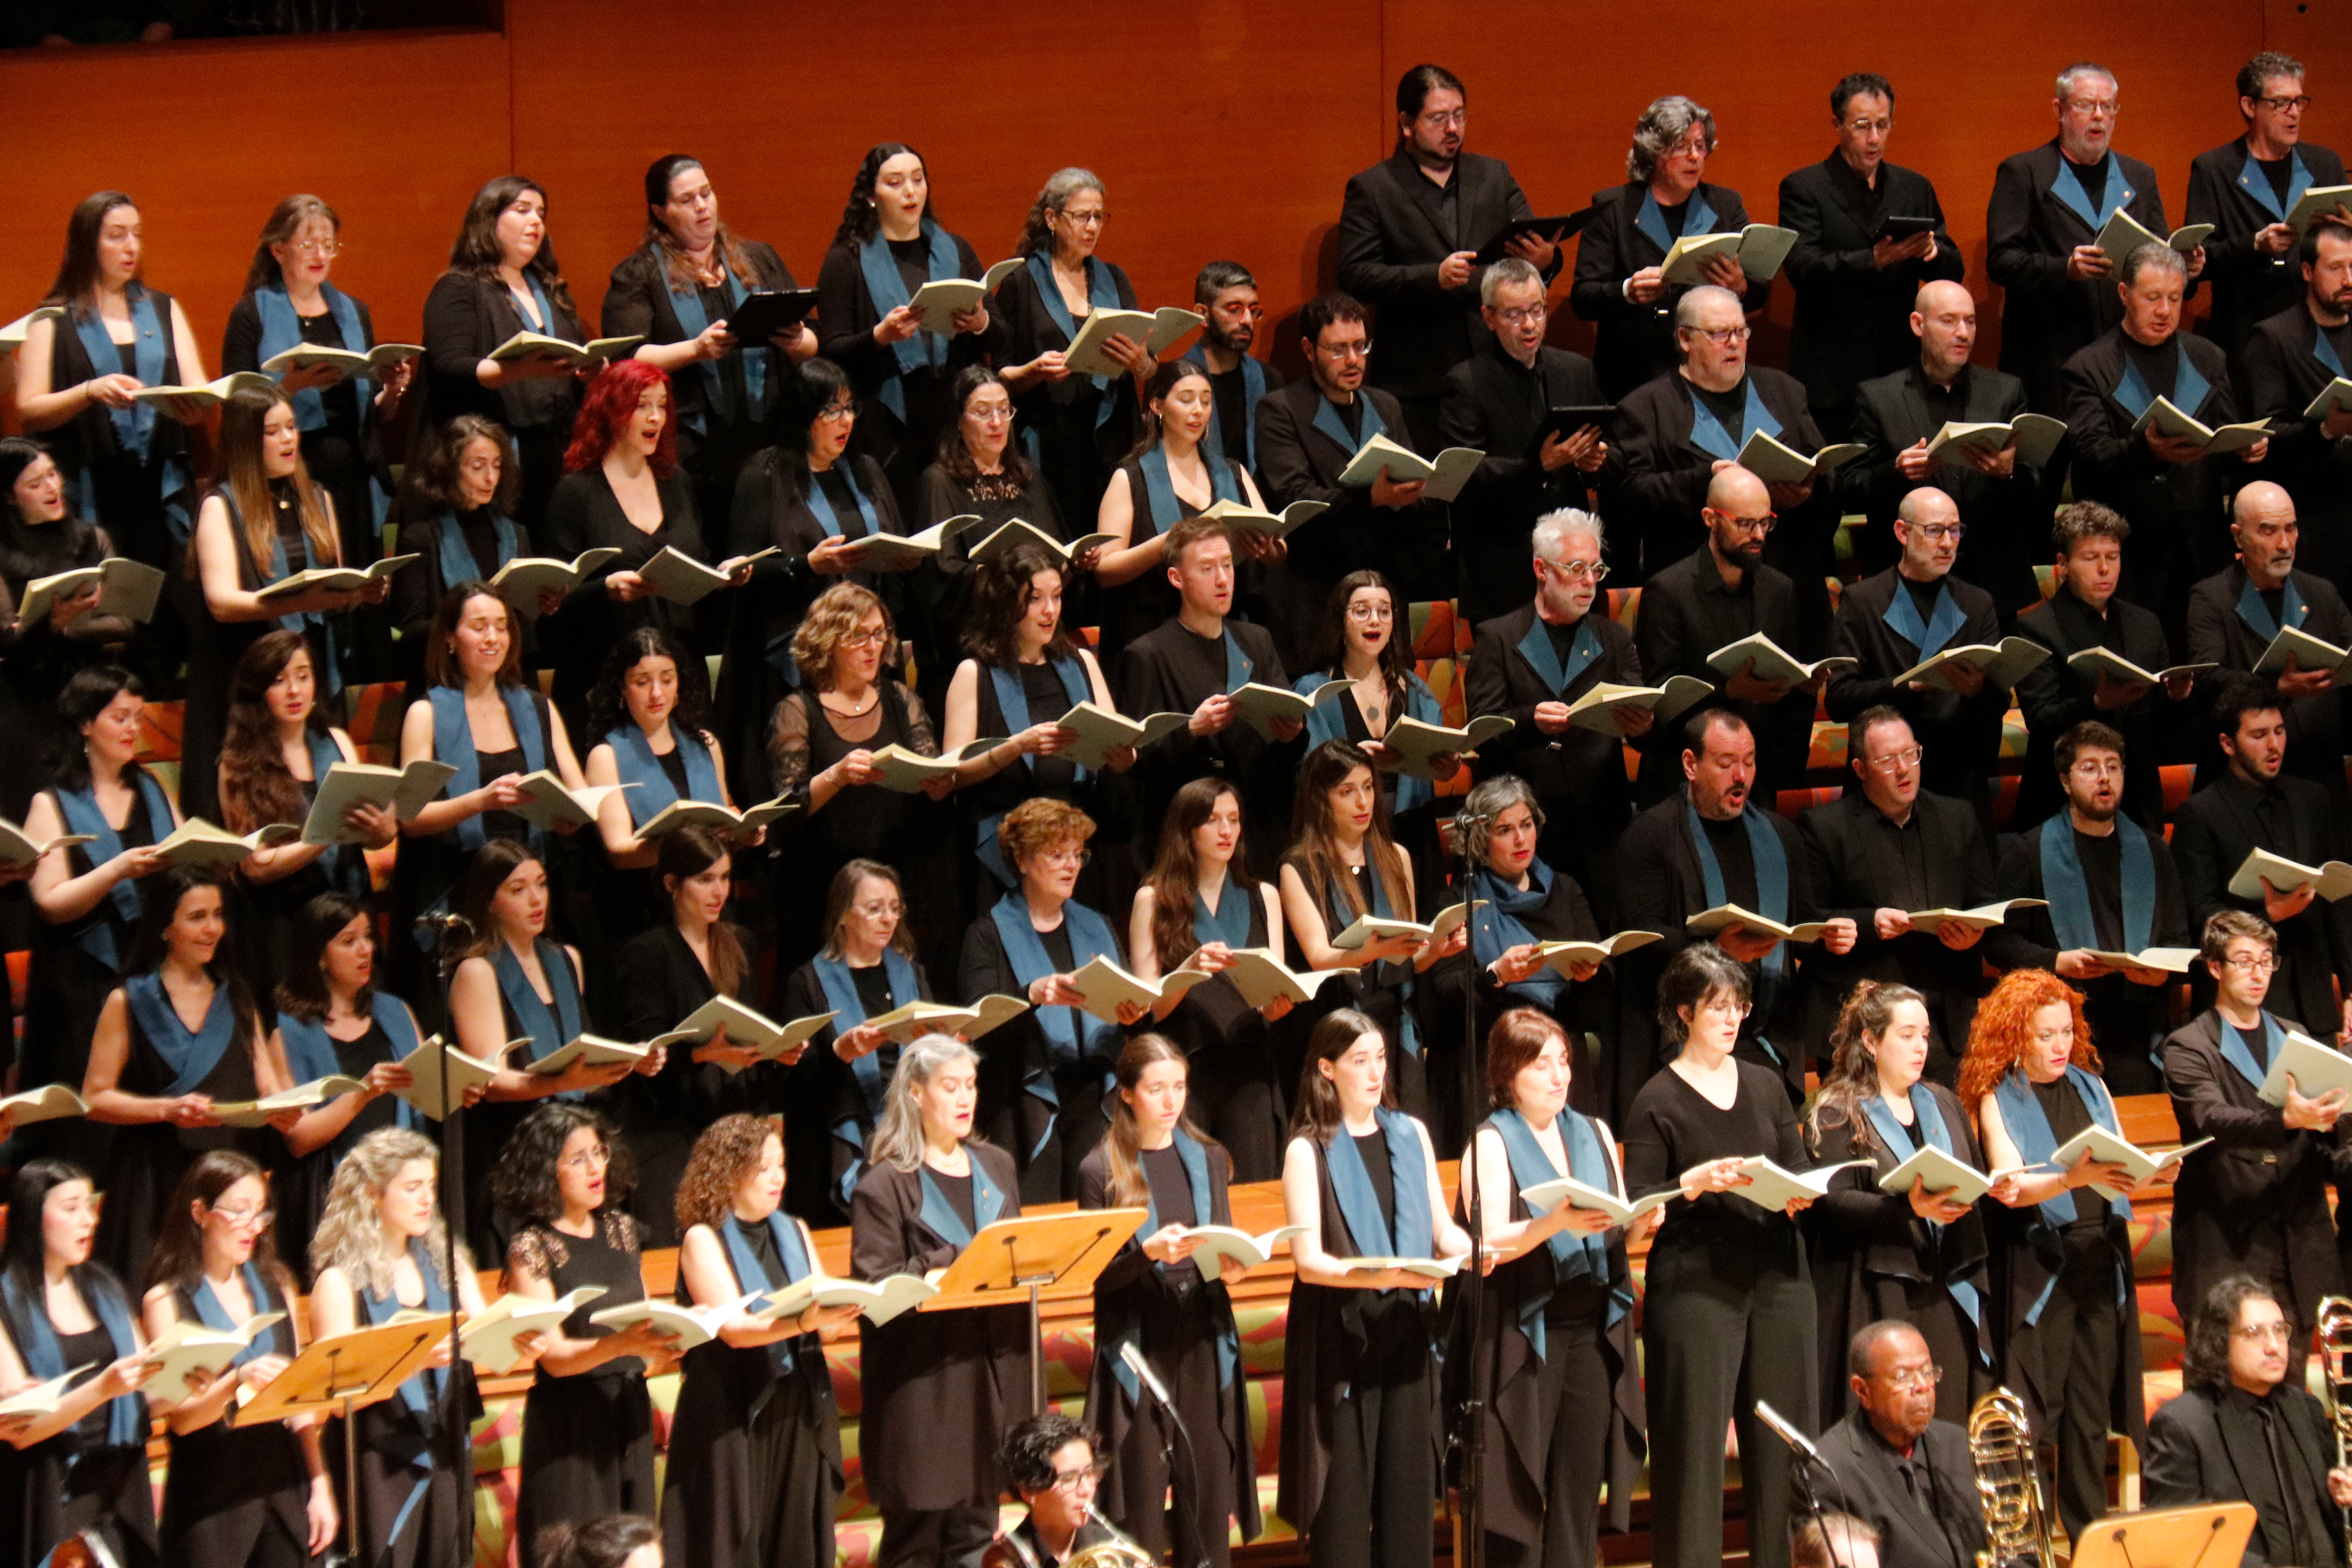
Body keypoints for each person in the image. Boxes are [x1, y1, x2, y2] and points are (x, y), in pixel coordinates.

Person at [1623, 943, 1820, 1568]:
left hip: (1779, 1276)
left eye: (1739, 1006)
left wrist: (1798, 1196)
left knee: (1782, 1451)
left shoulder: (1764, 1084)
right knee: (1694, 1458)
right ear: (1684, 1013)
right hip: (1696, 1285)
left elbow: (1801, 1172)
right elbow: (1638, 1202)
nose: (1733, 1019)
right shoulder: (1656, 1098)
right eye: (1717, 1008)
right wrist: (1693, 1184)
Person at [1278, 1008, 1471, 1568]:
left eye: (1381, 1059)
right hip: (1341, 1339)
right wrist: (1383, 1273)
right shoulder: (1306, 1149)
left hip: (1407, 1334)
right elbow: (1309, 1261)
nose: (1375, 1072)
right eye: (1360, 1060)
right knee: (1343, 1514)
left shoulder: (1410, 1133)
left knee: (1408, 1508)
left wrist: (1478, 1251)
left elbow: (1442, 1230)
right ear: (1326, 1068)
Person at [1964, 967, 2148, 1543]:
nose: (2060, 1045)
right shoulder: (2000, 1093)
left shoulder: (2093, 1085)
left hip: (2099, 1259)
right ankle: (2024, 1541)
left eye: (2065, 1031)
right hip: (2039, 1265)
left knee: (2091, 1413)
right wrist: (2075, 1177)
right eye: (2045, 1035)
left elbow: (2118, 1160)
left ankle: (2090, 1534)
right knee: (2033, 1408)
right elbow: (2009, 1184)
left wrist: (2148, 1171)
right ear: (2016, 1036)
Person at [1456, 1008, 1645, 1568]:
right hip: (1524, 1332)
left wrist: (1639, 1222)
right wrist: (1551, 1224)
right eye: (1542, 1065)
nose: (1560, 1076)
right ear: (1508, 1073)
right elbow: (1485, 1243)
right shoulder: (1490, 1141)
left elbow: (1611, 1223)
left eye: (1564, 1061)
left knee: (1578, 1486)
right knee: (1519, 1486)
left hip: (1592, 1326)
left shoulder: (1595, 1131)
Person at [1077, 1036, 1260, 1568]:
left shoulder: (1205, 1157)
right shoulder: (1101, 1169)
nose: (1170, 1101)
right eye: (1156, 1089)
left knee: (1206, 1502)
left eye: (1178, 1087)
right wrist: (1146, 1256)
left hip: (1201, 1335)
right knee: (1140, 1507)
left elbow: (1218, 1240)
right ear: (1128, 1094)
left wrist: (1234, 1263)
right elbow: (1096, 1277)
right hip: (1138, 1345)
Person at [850, 1036, 1030, 1568]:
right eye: (950, 1087)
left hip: (990, 1382)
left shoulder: (996, 1166)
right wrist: (953, 1259)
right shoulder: (884, 1185)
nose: (964, 1098)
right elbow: (876, 1289)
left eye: (970, 1086)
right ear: (915, 1094)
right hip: (923, 1393)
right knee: (916, 1547)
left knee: (979, 1540)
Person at [1616, 709, 1854, 1113]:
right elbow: (1642, 939)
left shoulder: (1782, 835)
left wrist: (1830, 936)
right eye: (1726, 764)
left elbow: (1802, 926)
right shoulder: (1651, 836)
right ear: (1691, 765)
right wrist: (1717, 952)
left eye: (1749, 762)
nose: (1741, 776)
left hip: (1766, 1037)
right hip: (1683, 1044)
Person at [83, 865, 300, 1284]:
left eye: (218, 915)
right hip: (154, 1177)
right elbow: (94, 1098)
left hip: (225, 1171)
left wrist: (283, 1110)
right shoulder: (128, 1001)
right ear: (165, 926)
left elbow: (268, 1083)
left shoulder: (236, 995)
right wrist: (166, 1109)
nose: (213, 928)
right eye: (197, 917)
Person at [186, 383, 385, 820]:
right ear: (244, 442)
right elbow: (221, 602)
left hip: (311, 668)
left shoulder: (318, 497)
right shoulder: (220, 505)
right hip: (253, 676)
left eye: (292, 428)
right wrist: (295, 604)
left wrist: (358, 593)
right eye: (273, 432)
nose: (289, 440)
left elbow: (328, 590)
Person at [1336, 64, 1561, 447]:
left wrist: (1546, 261)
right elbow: (1355, 275)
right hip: (1421, 381)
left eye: (1459, 116)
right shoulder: (1374, 188)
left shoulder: (1493, 175)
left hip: (1499, 368)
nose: (1453, 128)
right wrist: (1432, 277)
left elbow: (1534, 247)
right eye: (1439, 119)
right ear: (1407, 124)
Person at [725, 359, 919, 795]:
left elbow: (894, 541)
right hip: (794, 660)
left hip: (869, 650)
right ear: (802, 413)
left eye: (850, 408)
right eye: (831, 410)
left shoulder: (866, 470)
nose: (844, 420)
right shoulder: (767, 474)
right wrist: (806, 565)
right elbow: (738, 573)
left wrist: (906, 559)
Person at [665, 1112, 849, 1568]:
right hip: (731, 1411)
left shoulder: (796, 1231)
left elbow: (824, 1324)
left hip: (798, 1405)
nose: (777, 1178)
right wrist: (805, 1323)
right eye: (764, 1167)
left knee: (794, 1545)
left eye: (780, 1165)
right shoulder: (702, 1239)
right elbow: (737, 1330)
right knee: (735, 1545)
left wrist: (850, 1309)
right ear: (727, 1172)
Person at [1804, 988, 1992, 1425]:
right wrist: (1908, 1209)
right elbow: (1832, 1201)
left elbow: (1975, 1172)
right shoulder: (1839, 1109)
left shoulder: (1943, 1102)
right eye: (1906, 1035)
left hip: (1945, 1280)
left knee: (1944, 1415)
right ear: (1870, 1041)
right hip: (1879, 1287)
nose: (1920, 1047)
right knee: (1889, 1420)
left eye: (1924, 1035)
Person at [394, 584, 587, 1005]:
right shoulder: (425, 714)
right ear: (449, 638)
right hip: (460, 885)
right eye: (479, 627)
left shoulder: (538, 707)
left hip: (528, 888)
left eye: (502, 627)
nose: (493, 638)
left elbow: (582, 794)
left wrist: (573, 815)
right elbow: (410, 819)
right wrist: (479, 801)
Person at [140, 1150, 333, 1568]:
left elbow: (299, 1402)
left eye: (261, 1213)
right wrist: (236, 1380)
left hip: (285, 1485)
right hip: (211, 1496)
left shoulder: (276, 1285)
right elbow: (181, 1419)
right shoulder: (167, 1300)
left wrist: (321, 1484)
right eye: (240, 1212)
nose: (253, 1227)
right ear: (200, 1213)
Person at [1798, 709, 2014, 1082]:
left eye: (1910, 754)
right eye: (1886, 760)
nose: (1903, 769)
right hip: (1865, 1031)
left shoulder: (1958, 817)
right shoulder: (1825, 828)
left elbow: (1984, 900)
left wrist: (1975, 931)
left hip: (1945, 1025)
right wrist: (1869, 924)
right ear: (1860, 769)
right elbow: (1806, 926)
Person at [444, 842, 638, 1254]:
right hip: (518, 1159)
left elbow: (579, 1049)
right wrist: (563, 1081)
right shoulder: (478, 970)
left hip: (575, 1148)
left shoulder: (567, 959)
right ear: (489, 902)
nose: (536, 899)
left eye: (542, 885)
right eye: (518, 890)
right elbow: (489, 1080)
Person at [307, 1128, 488, 1568]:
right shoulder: (339, 1281)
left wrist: (519, 1336)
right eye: (412, 1188)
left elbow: (486, 1342)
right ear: (373, 1196)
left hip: (448, 1451)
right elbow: (336, 1402)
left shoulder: (450, 1264)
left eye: (431, 1186)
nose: (428, 1198)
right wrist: (411, 1363)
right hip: (380, 1467)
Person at [2165, 912, 2347, 1351]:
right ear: (2215, 967)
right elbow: (2212, 1119)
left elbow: (2324, 1142)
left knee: (2292, 1383)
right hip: (2228, 1238)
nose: (2258, 973)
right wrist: (2285, 1120)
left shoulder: (2295, 1035)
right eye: (2244, 961)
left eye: (2266, 961)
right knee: (2222, 1386)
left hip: (2300, 1240)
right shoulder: (2189, 1046)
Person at [22, 666, 181, 1168]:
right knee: (84, 1129)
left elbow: (180, 854)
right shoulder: (51, 802)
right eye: (119, 718)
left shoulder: (152, 787)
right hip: (81, 980)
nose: (133, 728)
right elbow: (49, 901)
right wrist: (116, 870)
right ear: (86, 725)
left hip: (146, 972)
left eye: (138, 717)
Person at [606, 154, 816, 529]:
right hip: (690, 450)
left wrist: (797, 340)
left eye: (706, 194)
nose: (702, 206)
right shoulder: (641, 274)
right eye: (687, 200)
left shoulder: (759, 259)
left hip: (767, 442)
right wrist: (695, 350)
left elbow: (815, 342)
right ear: (660, 211)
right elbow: (628, 357)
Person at [542, 360, 749, 731]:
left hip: (678, 672)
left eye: (661, 406)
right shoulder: (576, 493)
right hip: (606, 675)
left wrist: (721, 577)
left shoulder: (676, 481)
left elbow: (695, 567)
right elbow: (553, 599)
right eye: (642, 406)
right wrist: (605, 589)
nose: (655, 417)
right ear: (610, 411)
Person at [958, 797, 1147, 1201]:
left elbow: (1126, 996)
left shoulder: (1094, 924)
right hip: (1023, 1099)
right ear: (1023, 861)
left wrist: (1132, 1012)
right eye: (1058, 854)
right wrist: (1031, 995)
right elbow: (976, 1024)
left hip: (1094, 1094)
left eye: (1078, 855)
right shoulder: (987, 934)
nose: (1072, 865)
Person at [2062, 242, 2265, 619]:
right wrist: (2146, 451)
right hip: (2133, 551)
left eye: (2175, 298)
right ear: (2124, 294)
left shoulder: (2208, 357)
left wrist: (2246, 451)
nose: (2165, 311)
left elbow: (2225, 433)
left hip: (2203, 546)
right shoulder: (2088, 366)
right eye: (2153, 297)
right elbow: (2090, 455)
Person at [13, 190, 208, 581]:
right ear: (88, 244)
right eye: (117, 235)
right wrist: (88, 392)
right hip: (91, 486)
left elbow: (199, 388)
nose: (131, 246)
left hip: (159, 481)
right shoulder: (52, 318)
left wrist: (196, 407)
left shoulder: (163, 308)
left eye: (137, 234)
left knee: (165, 606)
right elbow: (28, 411)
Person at [1996, 722, 2193, 1096]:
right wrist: (2057, 962)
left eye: (2113, 766)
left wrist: (2160, 974)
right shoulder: (2029, 852)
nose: (2104, 777)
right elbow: (2002, 943)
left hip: (2134, 1031)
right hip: (2056, 1030)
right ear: (2066, 782)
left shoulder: (2153, 851)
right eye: (2090, 768)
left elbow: (2178, 942)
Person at [1988, 63, 2197, 414]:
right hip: (2048, 352)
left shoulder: (2139, 176)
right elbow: (2001, 262)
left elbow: (2158, 254)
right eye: (2086, 105)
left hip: (2124, 352)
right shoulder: (2023, 172)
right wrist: (2064, 269)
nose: (2099, 116)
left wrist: (2184, 265)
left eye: (2108, 106)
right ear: (2060, 111)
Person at [221, 193, 410, 581]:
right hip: (292, 475)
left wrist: (391, 392)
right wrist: (288, 387)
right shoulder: (251, 313)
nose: (320, 254)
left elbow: (373, 416)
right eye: (308, 244)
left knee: (359, 586)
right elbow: (236, 409)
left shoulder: (353, 312)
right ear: (277, 249)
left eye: (328, 244)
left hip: (355, 476)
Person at [1613, 286, 1834, 618]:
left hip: (1788, 581)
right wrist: (1708, 481)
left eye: (1740, 331)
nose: (1734, 342)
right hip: (1696, 591)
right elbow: (1633, 497)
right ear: (1685, 339)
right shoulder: (1647, 407)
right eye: (1719, 333)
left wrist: (1807, 490)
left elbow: (1823, 468)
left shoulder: (1784, 391)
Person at [608, 829, 783, 1245]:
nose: (719, 891)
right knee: (679, 1247)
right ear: (672, 884)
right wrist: (703, 1054)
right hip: (671, 1130)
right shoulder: (647, 953)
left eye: (724, 878)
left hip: (730, 1120)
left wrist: (775, 1052)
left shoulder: (738, 943)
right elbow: (647, 1052)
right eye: (705, 879)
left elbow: (749, 1025)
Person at [1251, 291, 1450, 657]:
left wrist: (1423, 492)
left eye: (1361, 346)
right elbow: (1296, 497)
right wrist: (1371, 499)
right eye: (1339, 349)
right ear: (1309, 350)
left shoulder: (1385, 405)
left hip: (1381, 586)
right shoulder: (1280, 410)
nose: (1354, 360)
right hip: (1314, 591)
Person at [1281, 741, 1466, 1128]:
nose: (1363, 801)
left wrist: (1437, 950)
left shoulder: (1396, 856)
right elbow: (1318, 956)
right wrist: (1367, 952)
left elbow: (1406, 956)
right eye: (1347, 792)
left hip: (1394, 1024)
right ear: (1321, 799)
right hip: (1338, 1023)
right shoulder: (1299, 867)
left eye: (1368, 787)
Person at [1464, 510, 1643, 904]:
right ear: (1541, 569)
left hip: (1601, 827)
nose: (1590, 581)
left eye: (1597, 569)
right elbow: (1481, 726)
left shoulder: (1613, 638)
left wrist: (1643, 723)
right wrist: (1530, 721)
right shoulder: (1498, 637)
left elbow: (1638, 710)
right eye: (1577, 568)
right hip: (1529, 828)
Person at [766, 582, 951, 960]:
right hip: (825, 885)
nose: (873, 647)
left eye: (879, 634)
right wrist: (836, 776)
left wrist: (939, 785)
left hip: (897, 874)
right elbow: (786, 810)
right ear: (828, 641)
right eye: (858, 636)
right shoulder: (798, 710)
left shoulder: (901, 699)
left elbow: (932, 774)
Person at [1777, 74, 1964, 440]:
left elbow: (1953, 268)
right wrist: (1874, 259)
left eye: (1883, 125)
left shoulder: (1914, 187)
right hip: (1832, 371)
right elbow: (1801, 268)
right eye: (1863, 126)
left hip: (1901, 367)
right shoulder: (1805, 188)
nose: (1874, 138)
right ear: (1838, 125)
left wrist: (1931, 252)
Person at [1128, 779, 1297, 1182]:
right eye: (1212, 820)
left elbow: (1271, 997)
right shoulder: (1154, 899)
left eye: (1234, 820)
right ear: (1186, 830)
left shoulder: (1263, 895)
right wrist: (1189, 971)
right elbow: (1150, 1009)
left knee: (1255, 1194)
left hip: (1249, 1066)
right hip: (1185, 1071)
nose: (1226, 831)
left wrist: (1278, 1006)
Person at [1842, 281, 2051, 602]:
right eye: (1949, 320)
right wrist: (1895, 472)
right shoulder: (1878, 397)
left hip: (1992, 581)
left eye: (1970, 321)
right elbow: (1851, 487)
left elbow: (2037, 490)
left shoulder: (2006, 392)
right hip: (1906, 583)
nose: (1964, 333)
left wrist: (2007, 474)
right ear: (1918, 324)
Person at [941, 540, 1130, 895]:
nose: (1049, 611)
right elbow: (952, 775)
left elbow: (1115, 740)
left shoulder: (1081, 663)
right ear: (1004, 602)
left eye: (1057, 597)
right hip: (1007, 850)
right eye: (1034, 599)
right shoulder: (975, 673)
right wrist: (1013, 749)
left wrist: (1123, 758)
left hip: (1076, 845)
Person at [815, 143, 996, 512]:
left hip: (953, 416)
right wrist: (881, 336)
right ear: (870, 196)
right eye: (895, 183)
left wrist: (981, 322)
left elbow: (1002, 335)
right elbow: (830, 350)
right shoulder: (845, 259)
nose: (910, 191)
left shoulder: (955, 250)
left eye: (918, 180)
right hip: (885, 421)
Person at [0, 1159, 162, 1568]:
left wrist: (188, 1379)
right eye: (71, 1208)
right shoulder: (6, 1300)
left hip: (118, 1488)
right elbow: (22, 1429)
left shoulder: (103, 1286)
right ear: (33, 1216)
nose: (88, 1220)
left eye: (90, 1206)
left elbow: (145, 1387)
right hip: (45, 1491)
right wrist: (103, 1388)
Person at [2172, 677, 2352, 1044]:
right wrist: (2267, 915)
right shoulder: (2200, 814)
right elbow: (2199, 913)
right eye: (2258, 735)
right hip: (2241, 1005)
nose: (2274, 746)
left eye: (2280, 731)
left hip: (2313, 998)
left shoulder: (2313, 799)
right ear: (2227, 743)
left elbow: (2338, 902)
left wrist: (2350, 990)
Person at [1115, 514, 1300, 865]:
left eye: (1228, 565)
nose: (1222, 579)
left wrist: (1291, 737)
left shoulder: (1256, 640)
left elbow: (1280, 753)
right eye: (1206, 569)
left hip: (1252, 828)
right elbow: (1136, 763)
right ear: (1176, 578)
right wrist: (1191, 730)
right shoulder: (1147, 654)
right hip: (1183, 836)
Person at [216, 630, 392, 994]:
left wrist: (381, 829)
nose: (295, 691)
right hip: (286, 919)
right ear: (257, 691)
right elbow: (254, 867)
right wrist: (323, 838)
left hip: (348, 907)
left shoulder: (337, 742)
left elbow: (376, 839)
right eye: (279, 681)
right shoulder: (237, 764)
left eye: (303, 675)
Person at [1634, 465, 1820, 806]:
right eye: (1745, 524)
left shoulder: (1779, 589)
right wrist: (1728, 692)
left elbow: (1789, 701)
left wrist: (1802, 686)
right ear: (1710, 518)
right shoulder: (1668, 591)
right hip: (1681, 784)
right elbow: (1657, 697)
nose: (1759, 535)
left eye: (1766, 522)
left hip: (1757, 783)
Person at [1439, 257, 1608, 625]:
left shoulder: (1577, 371)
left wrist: (1594, 463)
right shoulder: (1466, 382)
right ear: (1489, 318)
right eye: (1514, 315)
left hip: (1573, 567)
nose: (1530, 325)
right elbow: (1464, 477)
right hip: (1502, 567)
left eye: (1537, 310)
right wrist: (1539, 467)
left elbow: (1608, 456)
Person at [418, 177, 587, 535]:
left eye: (541, 213)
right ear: (488, 220)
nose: (537, 222)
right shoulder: (458, 287)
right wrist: (517, 371)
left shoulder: (551, 290)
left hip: (556, 449)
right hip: (497, 455)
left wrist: (591, 371)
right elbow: (449, 365)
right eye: (523, 210)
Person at [1825, 488, 2007, 819]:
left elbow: (1998, 702)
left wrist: (1976, 692)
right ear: (1902, 532)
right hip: (1886, 775)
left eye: (1955, 531)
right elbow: (1839, 698)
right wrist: (1908, 686)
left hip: (1958, 777)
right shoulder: (1862, 601)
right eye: (1935, 530)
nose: (1948, 543)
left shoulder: (1978, 603)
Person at [1571, 96, 1769, 400]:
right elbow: (1583, 298)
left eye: (1701, 146)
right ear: (1653, 151)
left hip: (1707, 373)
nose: (1695, 156)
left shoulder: (1727, 206)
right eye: (1681, 146)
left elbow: (1760, 290)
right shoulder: (1612, 208)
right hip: (1633, 375)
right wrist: (1627, 291)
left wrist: (1741, 287)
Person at [2146, 1275, 2352, 1566]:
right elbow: (2184, 1542)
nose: (2274, 1346)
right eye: (2254, 1333)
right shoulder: (2182, 1425)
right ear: (2219, 1340)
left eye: (2280, 1331)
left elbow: (2333, 1524)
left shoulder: (2305, 1408)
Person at [2011, 503, 2192, 832]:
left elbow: (2160, 722)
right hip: (2062, 796)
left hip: (2136, 790)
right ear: (2063, 564)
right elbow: (2041, 719)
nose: (2105, 569)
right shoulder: (2036, 627)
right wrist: (2096, 703)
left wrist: (2176, 696)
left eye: (2113, 556)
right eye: (2091, 558)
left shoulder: (2145, 623)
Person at [1446, 776, 1615, 1120]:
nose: (1520, 839)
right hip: (1495, 1055)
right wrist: (1497, 975)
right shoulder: (1458, 900)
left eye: (1526, 825)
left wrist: (1590, 975)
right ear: (1481, 839)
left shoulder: (1565, 890)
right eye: (1504, 830)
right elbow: (1445, 990)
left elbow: (1603, 979)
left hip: (1562, 1053)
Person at [993, 167, 1150, 535]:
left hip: (1111, 437)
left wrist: (1143, 364)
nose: (1092, 227)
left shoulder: (1116, 279)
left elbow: (1147, 362)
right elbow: (999, 376)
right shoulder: (1021, 281)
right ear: (1052, 218)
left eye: (1099, 217)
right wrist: (1034, 371)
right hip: (1051, 441)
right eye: (1082, 217)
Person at [779, 859, 936, 1223]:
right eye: (875, 909)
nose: (888, 919)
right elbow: (794, 1083)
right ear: (844, 915)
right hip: (839, 1140)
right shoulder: (808, 982)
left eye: (895, 909)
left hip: (909, 1132)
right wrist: (840, 1054)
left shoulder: (910, 973)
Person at [270, 890, 429, 1249]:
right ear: (320, 956)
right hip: (333, 1196)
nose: (366, 949)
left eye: (368, 937)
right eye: (349, 941)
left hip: (402, 1191)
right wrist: (363, 1093)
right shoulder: (289, 1033)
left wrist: (453, 1089)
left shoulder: (395, 1012)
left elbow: (424, 1094)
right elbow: (298, 1137)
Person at [1294, 570, 1461, 900]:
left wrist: (1448, 765)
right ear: (1341, 620)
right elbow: (1308, 774)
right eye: (1362, 611)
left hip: (1412, 831)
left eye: (1384, 611)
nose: (1375, 621)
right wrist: (1354, 765)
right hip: (1345, 834)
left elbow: (1438, 765)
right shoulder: (1314, 691)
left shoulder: (1416, 689)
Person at [1094, 358, 1271, 665]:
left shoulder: (1233, 473)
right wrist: (1169, 543)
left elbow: (1272, 541)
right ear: (1157, 406)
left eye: (1206, 400)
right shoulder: (1131, 477)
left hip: (1220, 630)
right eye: (1187, 400)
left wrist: (1272, 547)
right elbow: (1105, 570)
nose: (1199, 410)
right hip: (1151, 633)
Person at [2186, 483, 2352, 798]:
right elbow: (2207, 679)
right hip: (2243, 785)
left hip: (2318, 776)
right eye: (2268, 531)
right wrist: (2275, 688)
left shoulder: (2322, 593)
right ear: (2238, 536)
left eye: (2291, 529)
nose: (2284, 544)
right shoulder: (2211, 598)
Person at [913, 368, 1067, 703]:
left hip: (1032, 641)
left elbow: (1055, 552)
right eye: (983, 413)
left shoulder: (1027, 476)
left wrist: (1074, 561)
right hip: (972, 648)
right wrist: (992, 576)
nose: (997, 422)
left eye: (1004, 410)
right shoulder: (940, 481)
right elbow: (940, 574)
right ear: (958, 420)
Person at [2187, 53, 2350, 361]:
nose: (2295, 113)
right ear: (2250, 107)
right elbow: (2199, 261)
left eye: (2299, 101)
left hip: (2320, 333)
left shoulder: (2325, 164)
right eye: (2281, 103)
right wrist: (2254, 245)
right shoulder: (2214, 169)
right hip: (2248, 333)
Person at [0, 438, 128, 813]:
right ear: (9, 497)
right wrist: (49, 625)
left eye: (53, 475)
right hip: (30, 696)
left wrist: (64, 627)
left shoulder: (93, 538)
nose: (53, 488)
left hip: (92, 690)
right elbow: (5, 640)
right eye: (35, 483)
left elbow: (125, 623)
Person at [1804, 1322, 1989, 1568]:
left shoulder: (1962, 1445)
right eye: (1903, 1377)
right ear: (1863, 1391)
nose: (1923, 1386)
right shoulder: (1829, 1471)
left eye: (1927, 1372)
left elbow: (2014, 1549)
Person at [582, 626, 743, 899]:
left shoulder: (706, 743)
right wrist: (691, 845)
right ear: (621, 688)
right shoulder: (606, 756)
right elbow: (619, 852)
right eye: (642, 682)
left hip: (712, 895)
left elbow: (726, 811)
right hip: (646, 899)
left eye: (667, 680)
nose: (657, 693)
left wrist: (743, 831)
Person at [2236, 220, 2352, 598]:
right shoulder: (2274, 338)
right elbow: (2268, 436)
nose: (2348, 278)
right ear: (2307, 271)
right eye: (2336, 268)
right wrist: (2325, 431)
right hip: (2315, 516)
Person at [386, 416, 545, 683]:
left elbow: (526, 626)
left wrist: (542, 603)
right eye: (478, 466)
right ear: (449, 469)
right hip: (449, 679)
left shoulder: (516, 535)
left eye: (497, 466)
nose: (491, 477)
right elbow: (410, 630)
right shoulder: (422, 539)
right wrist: (464, 621)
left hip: (512, 675)